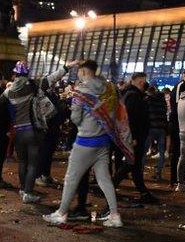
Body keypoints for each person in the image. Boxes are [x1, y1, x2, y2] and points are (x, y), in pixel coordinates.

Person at [42, 59, 131, 227]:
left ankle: (61, 213)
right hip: (104, 141)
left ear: (83, 72)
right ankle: (114, 214)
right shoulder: (110, 88)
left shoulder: (81, 91)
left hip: (85, 141)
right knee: (104, 179)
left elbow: (75, 119)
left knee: (71, 178)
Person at [0, 61, 73, 203]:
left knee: (22, 162)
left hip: (17, 131)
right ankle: (28, 193)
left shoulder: (9, 90)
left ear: (15, 74)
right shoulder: (34, 85)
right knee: (33, 164)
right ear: (27, 73)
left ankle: (23, 189)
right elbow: (52, 78)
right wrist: (67, 67)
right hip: (33, 130)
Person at [112, 72, 156, 203]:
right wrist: (135, 137)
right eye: (143, 81)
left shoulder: (128, 94)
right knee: (132, 163)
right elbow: (132, 119)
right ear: (140, 82)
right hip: (135, 137)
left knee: (134, 165)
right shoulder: (133, 97)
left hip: (132, 136)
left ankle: (143, 192)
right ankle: (110, 186)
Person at [145, 86, 169, 182]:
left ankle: (141, 171)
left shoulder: (148, 101)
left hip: (151, 128)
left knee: (144, 151)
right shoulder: (162, 102)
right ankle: (158, 172)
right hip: (161, 128)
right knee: (161, 152)